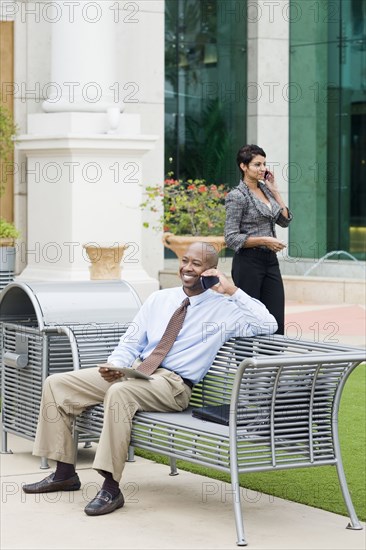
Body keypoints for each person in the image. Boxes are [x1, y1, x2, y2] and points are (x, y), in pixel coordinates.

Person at [22, 242, 277, 516]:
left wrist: (232, 290)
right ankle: (64, 474)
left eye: (196, 264)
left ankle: (111, 488)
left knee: (120, 394)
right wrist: (115, 366)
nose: (187, 268)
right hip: (135, 371)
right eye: (185, 260)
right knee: (57, 384)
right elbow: (130, 341)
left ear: (212, 271)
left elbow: (269, 324)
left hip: (172, 385)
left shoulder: (226, 309)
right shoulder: (160, 299)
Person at [224, 144, 293, 335]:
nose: (262, 168)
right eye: (257, 164)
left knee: (276, 318)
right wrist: (263, 240)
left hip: (270, 261)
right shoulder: (237, 196)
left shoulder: (267, 191)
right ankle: (244, 363)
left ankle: (272, 363)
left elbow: (284, 221)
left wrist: (276, 191)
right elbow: (230, 238)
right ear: (243, 166)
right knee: (248, 318)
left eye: (264, 164)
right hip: (248, 263)